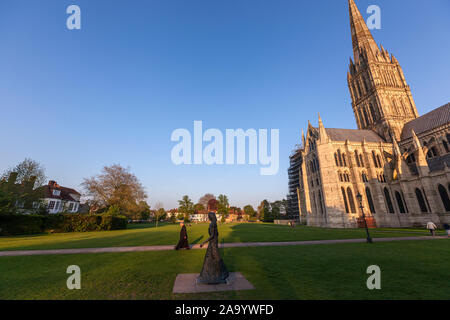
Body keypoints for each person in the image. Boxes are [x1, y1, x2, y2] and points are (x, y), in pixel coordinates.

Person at [197, 199, 229, 284]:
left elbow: (212, 236)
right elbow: (217, 234)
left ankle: (220, 274)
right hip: (213, 243)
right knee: (210, 259)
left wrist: (203, 242)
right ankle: (211, 275)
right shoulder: (214, 224)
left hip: (213, 244)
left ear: (210, 217)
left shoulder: (212, 224)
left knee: (216, 259)